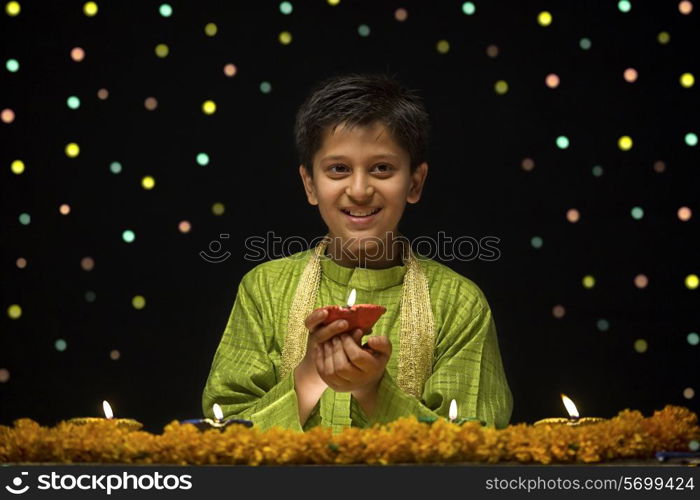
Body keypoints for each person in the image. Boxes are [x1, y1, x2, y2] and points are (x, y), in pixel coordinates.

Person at [202, 73, 513, 433]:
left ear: (414, 182)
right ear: (310, 184)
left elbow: (476, 445)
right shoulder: (264, 291)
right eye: (339, 169)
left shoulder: (458, 303)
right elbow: (221, 434)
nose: (360, 189)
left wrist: (374, 390)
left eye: (382, 168)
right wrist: (310, 375)